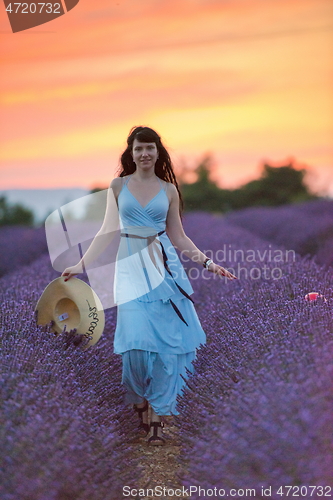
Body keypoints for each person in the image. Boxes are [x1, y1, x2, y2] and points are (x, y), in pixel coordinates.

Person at [62, 126, 237, 445]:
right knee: (135, 347)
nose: (144, 154)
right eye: (139, 148)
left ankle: (157, 415)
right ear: (131, 152)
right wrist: (80, 265)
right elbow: (106, 232)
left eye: (150, 148)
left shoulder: (169, 189)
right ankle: (140, 399)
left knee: (166, 347)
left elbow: (179, 236)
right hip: (129, 269)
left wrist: (209, 263)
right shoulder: (118, 186)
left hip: (163, 268)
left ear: (159, 152)